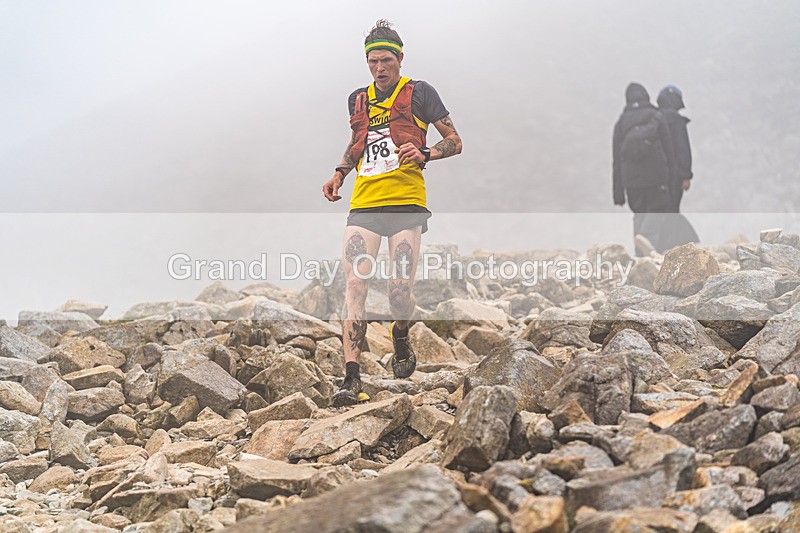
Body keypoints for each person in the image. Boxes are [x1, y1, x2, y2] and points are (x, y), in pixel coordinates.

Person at [322, 20, 462, 406]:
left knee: (400, 293)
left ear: (399, 59)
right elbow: (357, 142)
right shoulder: (358, 99)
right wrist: (339, 173)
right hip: (364, 204)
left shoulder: (419, 93)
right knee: (355, 286)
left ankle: (401, 334)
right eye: (372, 61)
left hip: (406, 204)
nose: (379, 67)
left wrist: (427, 152)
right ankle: (351, 378)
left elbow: (455, 141)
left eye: (385, 59)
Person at [612, 82, 676, 256]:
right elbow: (668, 150)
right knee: (658, 209)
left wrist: (618, 193)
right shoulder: (656, 116)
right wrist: (672, 177)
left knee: (639, 215)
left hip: (631, 181)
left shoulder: (621, 123)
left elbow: (617, 160)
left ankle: (640, 259)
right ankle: (646, 242)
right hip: (656, 176)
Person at [657, 85, 693, 213]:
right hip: (674, 175)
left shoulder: (653, 117)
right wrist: (686, 175)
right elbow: (683, 148)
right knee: (672, 212)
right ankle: (670, 233)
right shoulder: (676, 120)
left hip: (655, 175)